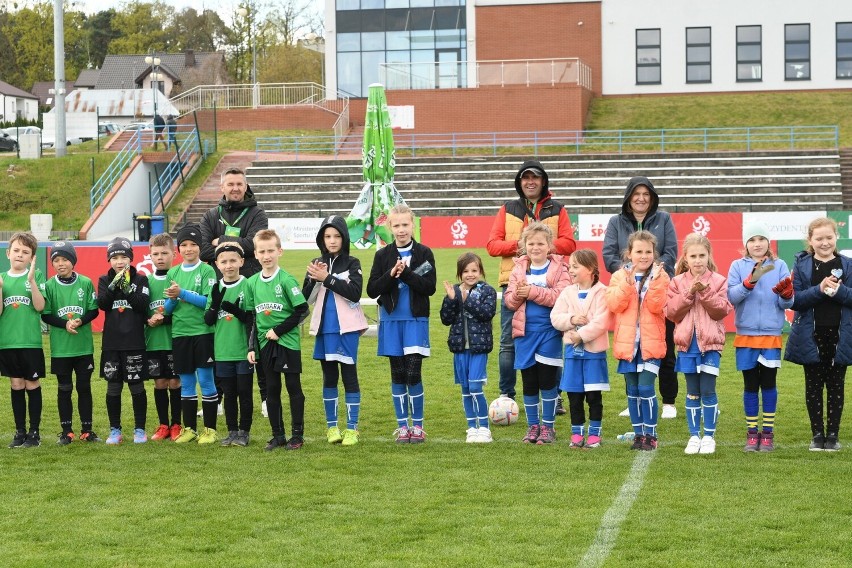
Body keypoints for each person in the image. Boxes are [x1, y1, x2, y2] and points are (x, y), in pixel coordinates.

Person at [486, 160, 575, 410]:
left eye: (535, 177)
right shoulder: (508, 208)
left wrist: (540, 244)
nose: (530, 182)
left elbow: (569, 244)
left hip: (551, 284)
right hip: (513, 283)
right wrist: (523, 244)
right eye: (525, 178)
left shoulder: (558, 209)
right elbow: (492, 245)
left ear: (543, 181)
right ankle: (507, 396)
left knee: (552, 340)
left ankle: (554, 396)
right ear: (519, 182)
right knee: (508, 342)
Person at [602, 176, 679, 419]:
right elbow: (609, 255)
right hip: (628, 289)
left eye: (646, 194)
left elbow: (671, 252)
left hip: (657, 287)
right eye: (636, 194)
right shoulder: (616, 222)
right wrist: (632, 271)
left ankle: (668, 401)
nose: (641, 198)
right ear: (628, 197)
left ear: (652, 198)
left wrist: (651, 273)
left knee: (664, 346)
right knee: (630, 347)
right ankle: (631, 400)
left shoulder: (663, 219)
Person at [199, 167, 269, 416]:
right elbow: (204, 251)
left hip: (249, 285)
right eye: (230, 184)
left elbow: (255, 245)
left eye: (239, 183)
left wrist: (222, 242)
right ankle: (217, 399)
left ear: (246, 185)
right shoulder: (210, 215)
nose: (235, 188)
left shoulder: (257, 214)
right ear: (222, 187)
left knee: (255, 339)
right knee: (220, 342)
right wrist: (237, 244)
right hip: (220, 287)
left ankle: (265, 397)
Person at [367, 204, 437, 444]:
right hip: (391, 320)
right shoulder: (382, 255)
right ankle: (402, 427)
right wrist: (391, 275)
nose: (401, 229)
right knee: (397, 374)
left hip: (415, 320)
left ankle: (418, 427)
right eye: (396, 225)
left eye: (405, 224)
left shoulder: (424, 253)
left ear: (413, 224)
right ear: (390, 227)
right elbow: (372, 288)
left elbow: (429, 287)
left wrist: (406, 274)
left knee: (413, 372)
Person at [784, 217, 852, 452]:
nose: (825, 243)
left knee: (836, 386)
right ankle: (817, 435)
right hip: (810, 336)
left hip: (839, 336)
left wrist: (839, 291)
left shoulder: (848, 264)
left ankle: (832, 436)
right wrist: (820, 289)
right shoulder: (802, 265)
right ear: (810, 240)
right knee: (813, 386)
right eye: (819, 238)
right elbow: (796, 301)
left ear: (836, 237)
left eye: (829, 237)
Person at [727, 222, 793, 452]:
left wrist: (786, 296)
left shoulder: (780, 265)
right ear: (746, 244)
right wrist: (750, 281)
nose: (757, 244)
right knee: (750, 385)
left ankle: (768, 434)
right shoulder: (737, 266)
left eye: (761, 239)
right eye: (752, 240)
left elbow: (787, 302)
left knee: (769, 384)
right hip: (745, 335)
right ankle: (752, 434)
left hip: (771, 336)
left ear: (768, 243)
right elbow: (732, 297)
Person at [303, 216, 368, 447]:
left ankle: (352, 429)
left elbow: (354, 292)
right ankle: (332, 427)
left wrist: (327, 278)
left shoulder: (352, 262)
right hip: (324, 329)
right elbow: (306, 299)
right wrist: (315, 280)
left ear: (344, 237)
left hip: (347, 329)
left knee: (349, 376)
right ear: (321, 239)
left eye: (337, 236)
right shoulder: (315, 262)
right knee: (329, 377)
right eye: (327, 236)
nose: (332, 241)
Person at [504, 222, 570, 445]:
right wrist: (519, 295)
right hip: (524, 333)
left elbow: (561, 297)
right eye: (531, 243)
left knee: (547, 380)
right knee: (529, 380)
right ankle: (533, 426)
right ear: (524, 245)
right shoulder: (518, 269)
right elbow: (509, 302)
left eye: (540, 243)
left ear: (549, 245)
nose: (535, 247)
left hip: (549, 332)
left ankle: (548, 427)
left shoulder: (561, 269)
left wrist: (532, 292)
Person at [666, 234, 733, 455]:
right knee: (692, 391)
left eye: (702, 255)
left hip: (710, 345)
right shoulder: (676, 282)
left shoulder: (719, 280)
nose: (697, 260)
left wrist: (704, 291)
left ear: (708, 256)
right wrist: (689, 292)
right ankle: (694, 436)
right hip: (687, 346)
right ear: (685, 258)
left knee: (708, 390)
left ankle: (709, 437)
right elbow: (671, 313)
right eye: (693, 256)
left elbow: (721, 310)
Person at [606, 230, 669, 451]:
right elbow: (615, 305)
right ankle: (638, 434)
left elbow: (656, 307)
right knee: (632, 390)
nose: (644, 256)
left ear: (655, 253)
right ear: (629, 253)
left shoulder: (661, 276)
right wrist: (628, 284)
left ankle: (651, 434)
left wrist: (654, 283)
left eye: (648, 251)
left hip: (651, 343)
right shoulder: (618, 276)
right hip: (628, 344)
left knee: (645, 387)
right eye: (639, 251)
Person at [245, 229, 308, 451]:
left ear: (279, 251)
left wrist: (279, 330)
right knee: (271, 388)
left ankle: (297, 435)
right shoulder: (252, 282)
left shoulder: (286, 279)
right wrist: (251, 346)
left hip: (287, 343)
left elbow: (302, 310)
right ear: (255, 254)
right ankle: (278, 435)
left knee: (293, 387)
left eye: (271, 250)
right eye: (262, 251)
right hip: (264, 345)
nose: (267, 255)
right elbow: (252, 317)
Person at [41, 241, 100, 444]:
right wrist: (65, 324)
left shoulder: (85, 282)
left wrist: (80, 321)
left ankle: (87, 430)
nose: (60, 263)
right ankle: (67, 432)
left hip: (83, 348)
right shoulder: (49, 286)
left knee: (84, 388)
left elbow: (94, 310)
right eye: (56, 260)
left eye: (64, 259)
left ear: (73, 261)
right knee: (64, 389)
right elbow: (46, 315)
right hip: (61, 349)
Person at [165, 224, 220, 444]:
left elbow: (209, 302)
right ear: (178, 249)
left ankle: (210, 430)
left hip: (203, 332)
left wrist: (182, 293)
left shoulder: (207, 270)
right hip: (180, 333)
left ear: (199, 247)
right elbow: (170, 308)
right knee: (186, 382)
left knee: (206, 380)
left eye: (194, 244)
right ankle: (189, 429)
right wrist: (170, 300)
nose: (189, 249)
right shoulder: (173, 272)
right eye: (184, 245)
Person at [551, 249, 610, 449]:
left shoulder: (602, 292)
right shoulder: (568, 292)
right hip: (572, 355)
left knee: (594, 395)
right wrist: (571, 320)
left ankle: (594, 433)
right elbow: (555, 316)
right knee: (574, 395)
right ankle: (577, 434)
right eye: (570, 266)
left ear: (591, 269)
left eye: (576, 266)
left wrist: (581, 335)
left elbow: (603, 321)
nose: (571, 269)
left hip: (594, 354)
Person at [97, 237, 150, 445]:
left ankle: (139, 430)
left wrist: (127, 287)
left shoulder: (141, 279)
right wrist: (112, 286)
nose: (120, 261)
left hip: (134, 342)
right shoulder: (104, 279)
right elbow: (102, 304)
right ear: (110, 260)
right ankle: (115, 430)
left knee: (136, 386)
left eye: (124, 257)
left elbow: (141, 305)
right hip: (111, 344)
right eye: (115, 257)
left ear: (130, 258)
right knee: (113, 387)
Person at [440, 252, 497, 443]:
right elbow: (445, 319)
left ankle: (485, 429)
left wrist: (466, 300)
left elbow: (487, 313)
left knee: (475, 387)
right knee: (465, 389)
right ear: (459, 273)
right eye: (465, 271)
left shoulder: (487, 291)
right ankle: (472, 427)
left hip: (478, 348)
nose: (470, 274)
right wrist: (450, 300)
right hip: (459, 349)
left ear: (480, 271)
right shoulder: (454, 291)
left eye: (474, 270)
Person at [0, 232, 46, 448]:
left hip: (30, 342)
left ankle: (34, 433)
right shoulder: (2, 278)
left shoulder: (35, 276)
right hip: (8, 342)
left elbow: (39, 307)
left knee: (31, 384)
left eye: (25, 252)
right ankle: (19, 432)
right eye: (16, 250)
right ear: (8, 253)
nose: (20, 255)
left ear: (32, 257)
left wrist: (31, 282)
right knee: (16, 384)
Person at [205, 242, 253, 447]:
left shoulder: (248, 285)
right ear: (217, 264)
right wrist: (215, 306)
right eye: (224, 262)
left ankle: (244, 432)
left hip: (242, 351)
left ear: (241, 261)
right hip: (222, 352)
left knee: (244, 393)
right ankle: (232, 431)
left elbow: (252, 318)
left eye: (233, 260)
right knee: (229, 395)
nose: (229, 265)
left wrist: (238, 311)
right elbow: (208, 320)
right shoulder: (215, 288)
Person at [145, 233, 182, 442]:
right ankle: (163, 425)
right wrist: (148, 320)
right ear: (149, 255)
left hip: (175, 340)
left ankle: (177, 424)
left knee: (175, 381)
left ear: (173, 254)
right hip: (153, 342)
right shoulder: (146, 281)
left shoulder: (177, 279)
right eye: (155, 254)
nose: (160, 257)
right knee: (159, 382)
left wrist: (164, 320)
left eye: (164, 253)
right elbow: (141, 309)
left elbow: (183, 312)